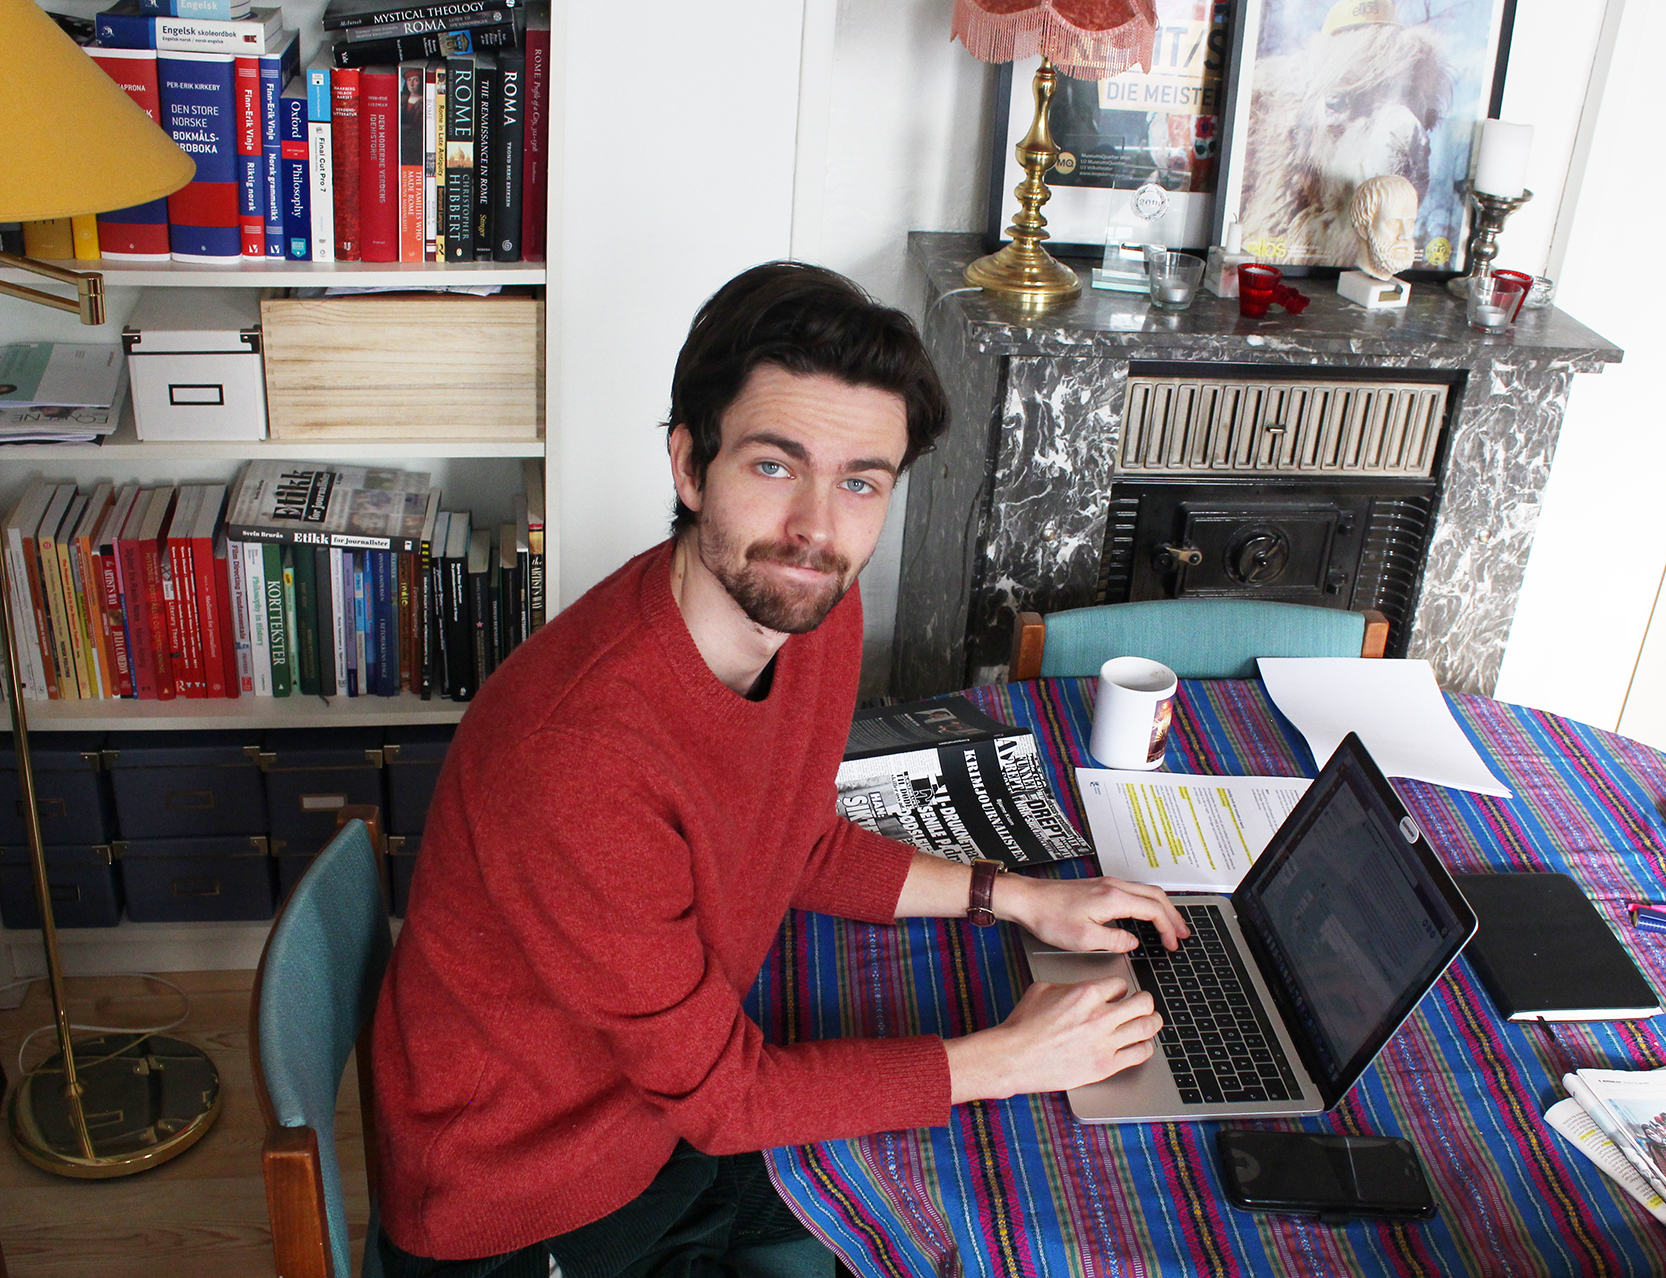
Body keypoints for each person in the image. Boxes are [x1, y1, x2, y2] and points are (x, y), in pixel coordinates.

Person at [368, 262, 1190, 1278]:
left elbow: (790, 838)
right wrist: (1009, 1058)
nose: (816, 527)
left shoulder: (811, 609)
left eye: (860, 482)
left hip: (661, 1111)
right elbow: (725, 1101)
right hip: (527, 1193)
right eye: (773, 465)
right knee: (988, 1155)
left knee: (982, 1178)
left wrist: (1016, 898)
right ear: (689, 466)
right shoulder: (579, 759)